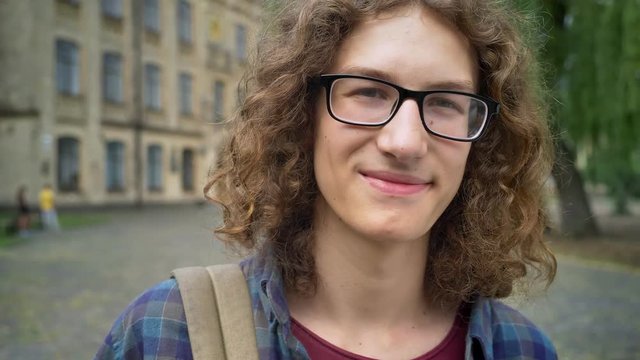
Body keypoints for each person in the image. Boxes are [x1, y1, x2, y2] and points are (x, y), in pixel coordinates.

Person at [96, 0, 558, 359]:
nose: (405, 142)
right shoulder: (167, 334)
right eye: (369, 92)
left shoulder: (523, 349)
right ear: (302, 115)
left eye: (445, 102)